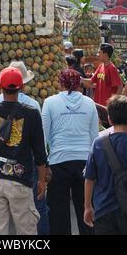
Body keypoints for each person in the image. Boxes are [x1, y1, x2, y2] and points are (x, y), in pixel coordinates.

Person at [0, 60, 50, 235]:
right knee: (26, 232)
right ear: (21, 87)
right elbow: (39, 150)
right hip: (21, 180)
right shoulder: (32, 112)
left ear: (0, 88)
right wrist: (41, 180)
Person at [42, 68, 98, 235]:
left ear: (60, 83)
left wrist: (44, 163)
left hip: (58, 161)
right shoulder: (89, 103)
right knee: (86, 208)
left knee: (58, 213)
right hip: (85, 163)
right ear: (79, 84)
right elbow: (94, 137)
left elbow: (43, 137)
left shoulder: (50, 102)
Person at [84, 95, 127, 235]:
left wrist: (87, 206)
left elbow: (89, 179)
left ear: (109, 119)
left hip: (103, 209)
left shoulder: (99, 143)